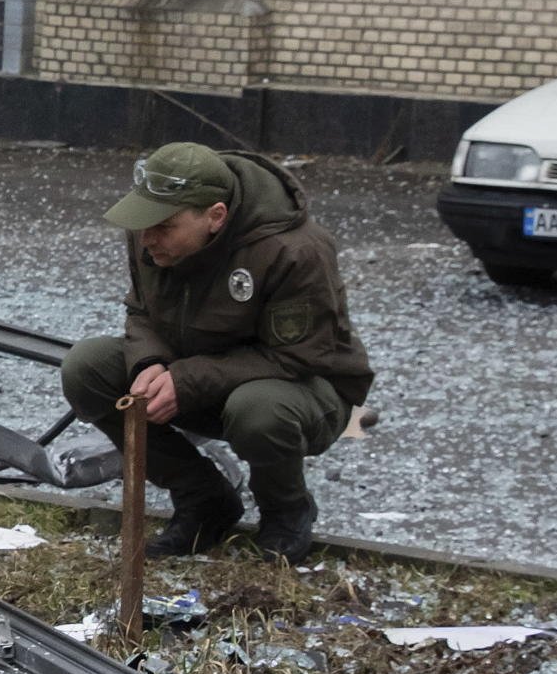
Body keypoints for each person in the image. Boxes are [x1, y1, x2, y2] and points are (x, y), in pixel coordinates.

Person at [58, 142, 373, 565]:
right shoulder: (149, 232)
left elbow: (297, 356)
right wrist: (150, 363)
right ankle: (205, 501)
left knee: (257, 410)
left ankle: (286, 512)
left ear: (216, 216)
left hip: (305, 391)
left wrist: (186, 380)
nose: (147, 238)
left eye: (164, 226)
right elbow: (140, 312)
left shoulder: (294, 249)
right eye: (143, 223)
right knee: (87, 367)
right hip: (202, 381)